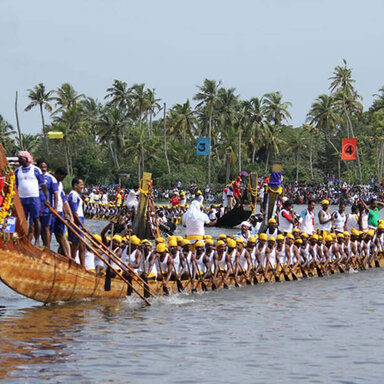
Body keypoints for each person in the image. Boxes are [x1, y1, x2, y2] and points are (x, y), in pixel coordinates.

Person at [15, 151, 49, 246]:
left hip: (34, 198)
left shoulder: (35, 170)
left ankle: (37, 241)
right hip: (22, 199)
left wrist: (47, 198)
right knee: (23, 219)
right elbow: (16, 186)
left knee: (36, 219)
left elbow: (43, 185)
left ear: (26, 159)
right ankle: (23, 239)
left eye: (20, 158)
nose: (19, 160)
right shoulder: (17, 171)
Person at [52, 167, 73, 258]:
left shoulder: (60, 184)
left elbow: (64, 200)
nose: (62, 179)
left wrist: (69, 215)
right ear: (57, 174)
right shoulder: (50, 180)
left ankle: (68, 255)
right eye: (62, 177)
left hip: (59, 212)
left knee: (61, 235)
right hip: (51, 211)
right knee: (48, 233)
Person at [37, 159, 58, 248]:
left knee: (46, 228)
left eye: (45, 167)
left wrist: (55, 209)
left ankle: (48, 247)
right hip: (37, 206)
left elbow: (56, 194)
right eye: (41, 167)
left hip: (47, 208)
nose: (43, 169)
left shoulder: (51, 178)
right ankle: (40, 245)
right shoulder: (35, 176)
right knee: (38, 228)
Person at [68, 177, 86, 266]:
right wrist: (82, 225)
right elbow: (74, 213)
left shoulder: (77, 195)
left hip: (80, 221)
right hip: (76, 222)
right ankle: (72, 264)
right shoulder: (73, 195)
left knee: (82, 246)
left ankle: (83, 266)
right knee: (75, 246)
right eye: (81, 184)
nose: (82, 186)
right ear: (75, 185)